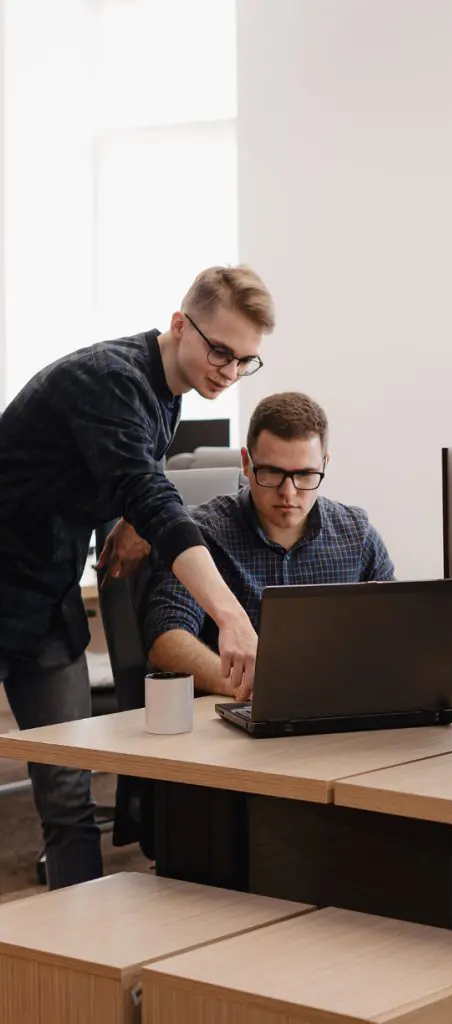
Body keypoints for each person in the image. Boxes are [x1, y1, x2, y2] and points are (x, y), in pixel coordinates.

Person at [0, 264, 275, 889]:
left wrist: (129, 518)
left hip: (45, 598)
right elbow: (153, 494)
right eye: (221, 352)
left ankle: (80, 941)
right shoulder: (109, 379)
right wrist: (231, 616)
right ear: (180, 324)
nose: (229, 372)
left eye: (245, 361)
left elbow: (126, 472)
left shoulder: (167, 389)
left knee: (69, 790)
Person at [144, 392, 452, 694]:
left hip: (339, 715)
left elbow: (396, 629)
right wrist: (246, 686)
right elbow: (167, 641)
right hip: (237, 723)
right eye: (272, 473)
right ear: (246, 464)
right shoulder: (203, 534)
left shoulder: (354, 533)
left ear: (325, 465)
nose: (288, 492)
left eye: (305, 475)